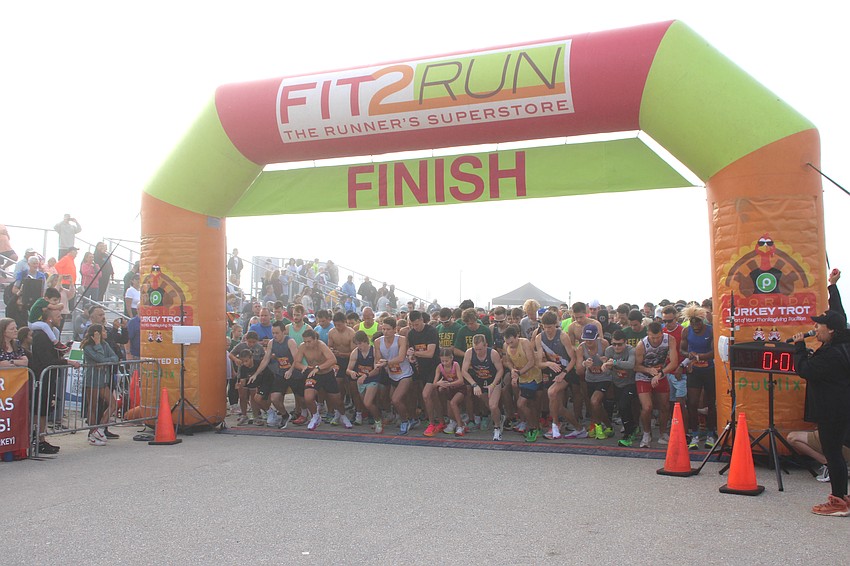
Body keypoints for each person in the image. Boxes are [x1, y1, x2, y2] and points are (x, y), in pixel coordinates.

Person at [792, 267, 850, 517]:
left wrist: (799, 347)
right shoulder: (845, 340)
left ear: (831, 331)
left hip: (832, 411)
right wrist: (833, 286)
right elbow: (839, 314)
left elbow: (804, 370)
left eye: (820, 326)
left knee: (833, 454)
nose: (816, 329)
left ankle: (838, 501)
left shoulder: (830, 355)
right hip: (843, 407)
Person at [29, 306, 80, 454]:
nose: (61, 319)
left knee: (44, 409)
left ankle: (40, 437)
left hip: (48, 377)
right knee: (41, 410)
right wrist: (67, 362)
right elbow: (46, 360)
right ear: (49, 318)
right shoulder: (41, 336)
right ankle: (39, 440)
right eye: (58, 316)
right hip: (41, 377)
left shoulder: (50, 335)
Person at [535, 311, 584, 439]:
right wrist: (548, 364)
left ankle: (555, 426)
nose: (548, 330)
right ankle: (578, 428)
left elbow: (572, 359)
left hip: (566, 370)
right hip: (553, 370)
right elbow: (539, 363)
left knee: (551, 392)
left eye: (550, 327)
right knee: (558, 406)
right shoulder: (539, 338)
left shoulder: (563, 336)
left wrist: (564, 373)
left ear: (556, 325)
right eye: (545, 327)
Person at [293, 328, 351, 430]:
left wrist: (318, 367)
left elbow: (333, 359)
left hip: (327, 374)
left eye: (309, 341)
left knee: (337, 400)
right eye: (305, 341)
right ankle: (315, 416)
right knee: (308, 397)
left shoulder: (321, 345)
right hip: (313, 374)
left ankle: (342, 415)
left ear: (315, 339)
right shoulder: (302, 347)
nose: (307, 344)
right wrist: (303, 367)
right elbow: (297, 362)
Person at [634, 322, 677, 448]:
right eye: (653, 337)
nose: (656, 340)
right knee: (647, 407)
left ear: (662, 334)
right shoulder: (642, 345)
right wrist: (649, 370)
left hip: (660, 374)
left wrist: (660, 374)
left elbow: (674, 362)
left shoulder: (670, 340)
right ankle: (647, 433)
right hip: (644, 376)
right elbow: (636, 366)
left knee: (664, 405)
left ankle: (663, 433)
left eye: (658, 337)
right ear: (648, 334)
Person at [679, 305, 717, 449]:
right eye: (693, 323)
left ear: (702, 321)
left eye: (698, 323)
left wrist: (699, 356)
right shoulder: (686, 331)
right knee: (693, 403)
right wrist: (689, 355)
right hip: (694, 370)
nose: (695, 326)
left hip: (709, 369)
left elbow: (714, 352)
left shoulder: (711, 330)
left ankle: (710, 434)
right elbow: (682, 349)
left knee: (710, 403)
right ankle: (694, 434)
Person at [80, 324, 119, 446]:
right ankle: (92, 434)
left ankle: (100, 429)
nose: (106, 332)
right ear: (96, 334)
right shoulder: (88, 347)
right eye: (103, 331)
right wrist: (97, 344)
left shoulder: (105, 344)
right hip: (92, 380)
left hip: (103, 380)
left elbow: (115, 357)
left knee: (113, 404)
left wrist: (105, 361)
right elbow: (100, 358)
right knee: (93, 407)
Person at [503, 325, 543, 442]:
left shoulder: (524, 343)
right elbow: (507, 361)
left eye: (512, 342)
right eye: (508, 343)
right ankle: (534, 425)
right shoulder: (507, 346)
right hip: (522, 378)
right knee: (529, 404)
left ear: (517, 337)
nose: (510, 345)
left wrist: (518, 373)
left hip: (533, 377)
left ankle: (532, 427)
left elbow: (531, 362)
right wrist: (512, 370)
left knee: (521, 404)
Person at [461, 333, 505, 440]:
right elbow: (464, 371)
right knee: (488, 405)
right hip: (479, 381)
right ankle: (499, 417)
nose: (478, 352)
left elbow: (500, 370)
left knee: (493, 405)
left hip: (493, 380)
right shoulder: (469, 353)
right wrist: (474, 384)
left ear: (486, 345)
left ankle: (497, 428)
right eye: (476, 349)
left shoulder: (493, 353)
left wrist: (493, 384)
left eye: (480, 349)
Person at [375, 317, 414, 434]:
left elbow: (401, 358)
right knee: (394, 400)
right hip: (392, 374)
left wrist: (386, 362)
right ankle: (404, 416)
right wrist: (381, 363)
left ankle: (405, 421)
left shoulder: (401, 340)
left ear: (394, 329)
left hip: (405, 374)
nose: (385, 332)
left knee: (396, 399)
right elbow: (378, 360)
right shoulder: (378, 341)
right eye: (383, 329)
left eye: (388, 329)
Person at [347, 331, 384, 432]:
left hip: (372, 379)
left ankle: (378, 421)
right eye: (357, 344)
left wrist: (366, 375)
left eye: (360, 343)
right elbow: (348, 369)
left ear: (366, 342)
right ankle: (378, 417)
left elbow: (377, 369)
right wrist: (351, 373)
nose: (359, 346)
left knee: (367, 402)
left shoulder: (374, 351)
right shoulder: (355, 352)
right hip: (361, 380)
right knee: (366, 403)